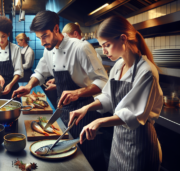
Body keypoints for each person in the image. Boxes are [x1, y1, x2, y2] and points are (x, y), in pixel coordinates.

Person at [12, 11, 108, 171]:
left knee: (88, 158)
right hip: (63, 111)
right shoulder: (48, 50)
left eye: (45, 36)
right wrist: (29, 86)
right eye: (39, 38)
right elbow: (40, 73)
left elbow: (103, 81)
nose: (42, 42)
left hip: (85, 113)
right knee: (68, 159)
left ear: (56, 28)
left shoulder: (81, 47)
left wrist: (77, 93)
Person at [68, 16, 163, 171]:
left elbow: (133, 115)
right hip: (119, 140)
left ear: (123, 38)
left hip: (140, 143)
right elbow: (108, 97)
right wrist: (86, 108)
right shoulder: (119, 65)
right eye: (102, 46)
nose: (104, 51)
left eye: (107, 45)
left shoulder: (146, 71)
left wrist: (99, 122)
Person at [47, 22, 103, 88]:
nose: (64, 40)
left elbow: (88, 80)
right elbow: (74, 74)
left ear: (75, 34)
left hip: (89, 92)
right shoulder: (71, 50)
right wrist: (58, 81)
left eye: (66, 37)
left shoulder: (85, 48)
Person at [0, 16, 23, 100]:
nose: (0, 40)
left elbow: (18, 71)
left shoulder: (15, 48)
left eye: (3, 36)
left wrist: (10, 84)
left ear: (8, 34)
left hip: (13, 87)